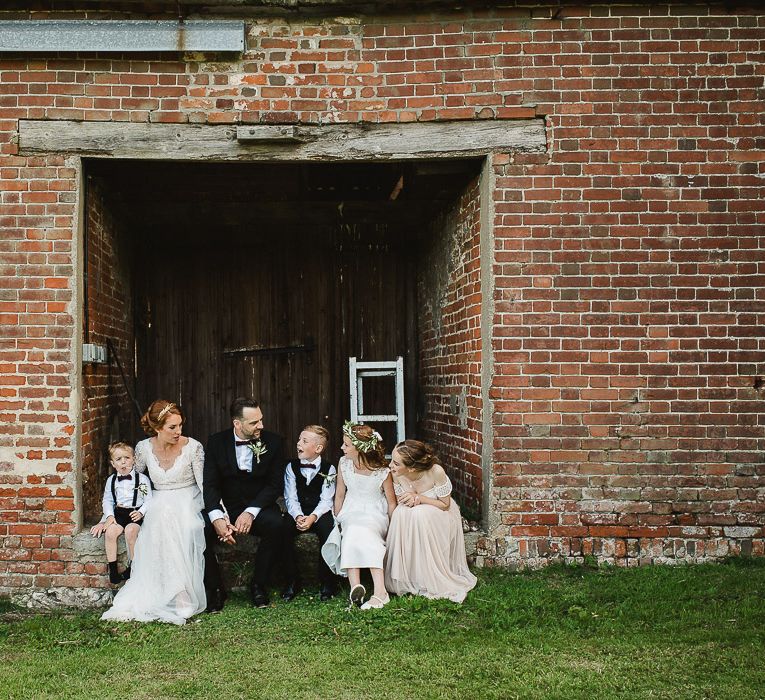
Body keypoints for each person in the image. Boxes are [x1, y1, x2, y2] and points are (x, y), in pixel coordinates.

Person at [101, 400, 207, 625]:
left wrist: (219, 514)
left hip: (187, 497)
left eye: (180, 426)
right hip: (156, 497)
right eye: (172, 427)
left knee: (173, 520)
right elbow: (132, 483)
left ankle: (181, 591)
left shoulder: (193, 447)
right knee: (158, 519)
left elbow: (204, 484)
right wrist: (110, 516)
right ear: (157, 428)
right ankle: (174, 591)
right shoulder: (142, 448)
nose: (179, 431)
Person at [203, 397, 290, 609]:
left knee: (277, 525)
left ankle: (259, 585)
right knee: (200, 528)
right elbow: (210, 485)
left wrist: (250, 512)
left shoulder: (274, 442)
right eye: (254, 422)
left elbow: (274, 485)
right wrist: (217, 517)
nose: (261, 425)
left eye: (260, 420)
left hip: (258, 506)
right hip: (226, 507)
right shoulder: (216, 442)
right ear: (237, 424)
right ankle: (215, 589)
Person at [384, 439, 477, 603]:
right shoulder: (396, 474)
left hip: (440, 512)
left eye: (396, 463)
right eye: (392, 460)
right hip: (415, 512)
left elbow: (445, 504)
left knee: (421, 515)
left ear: (412, 468)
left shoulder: (436, 471)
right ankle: (409, 577)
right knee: (400, 513)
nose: (391, 465)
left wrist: (419, 498)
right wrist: (410, 500)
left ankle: (430, 576)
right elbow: (401, 499)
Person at [325, 421, 396, 610]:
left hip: (374, 512)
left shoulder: (382, 472)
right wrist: (338, 517)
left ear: (360, 449)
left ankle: (381, 592)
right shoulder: (344, 464)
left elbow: (391, 502)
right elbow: (339, 494)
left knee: (365, 532)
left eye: (346, 445)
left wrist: (393, 525)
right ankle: (355, 588)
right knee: (351, 530)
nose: (342, 448)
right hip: (351, 509)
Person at [283, 425, 338, 602]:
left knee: (328, 531)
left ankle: (328, 582)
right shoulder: (291, 467)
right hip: (298, 511)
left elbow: (327, 500)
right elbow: (290, 497)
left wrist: (313, 517)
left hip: (319, 512)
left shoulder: (329, 469)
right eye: (299, 439)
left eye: (304, 441)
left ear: (318, 448)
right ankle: (292, 580)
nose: (298, 443)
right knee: (281, 530)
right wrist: (298, 516)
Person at [90, 442, 152, 584]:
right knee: (111, 532)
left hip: (134, 514)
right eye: (118, 459)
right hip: (119, 513)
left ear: (134, 459)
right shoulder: (111, 480)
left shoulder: (141, 480)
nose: (123, 462)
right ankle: (113, 570)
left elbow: (149, 500)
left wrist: (141, 512)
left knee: (131, 531)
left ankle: (133, 567)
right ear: (113, 463)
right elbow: (107, 500)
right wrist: (109, 517)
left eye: (127, 458)